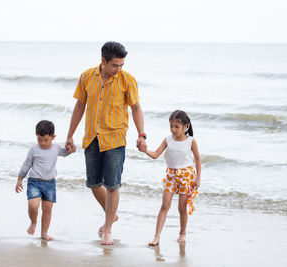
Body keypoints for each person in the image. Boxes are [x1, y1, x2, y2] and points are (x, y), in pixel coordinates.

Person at [65, 41, 147, 245]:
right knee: (93, 184)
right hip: (91, 137)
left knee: (112, 185)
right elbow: (80, 105)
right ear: (103, 61)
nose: (119, 69)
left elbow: (136, 108)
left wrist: (141, 134)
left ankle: (108, 228)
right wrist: (70, 135)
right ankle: (112, 214)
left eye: (122, 65)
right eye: (115, 65)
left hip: (115, 139)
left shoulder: (127, 80)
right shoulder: (86, 76)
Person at [139, 110, 201, 246]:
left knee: (182, 208)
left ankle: (182, 233)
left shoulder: (191, 141)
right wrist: (145, 151)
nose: (173, 129)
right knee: (164, 206)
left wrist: (198, 179)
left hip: (186, 176)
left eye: (176, 127)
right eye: (171, 126)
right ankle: (156, 237)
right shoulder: (168, 139)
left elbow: (197, 159)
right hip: (171, 176)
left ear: (186, 126)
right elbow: (155, 154)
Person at [15, 120, 75, 241]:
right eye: (39, 140)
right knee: (33, 205)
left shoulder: (56, 147)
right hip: (34, 183)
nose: (42, 143)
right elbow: (26, 165)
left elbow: (65, 152)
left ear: (53, 137)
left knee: (47, 210)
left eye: (46, 140)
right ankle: (33, 222)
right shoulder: (34, 150)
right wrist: (20, 179)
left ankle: (44, 233)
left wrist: (71, 149)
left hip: (50, 184)